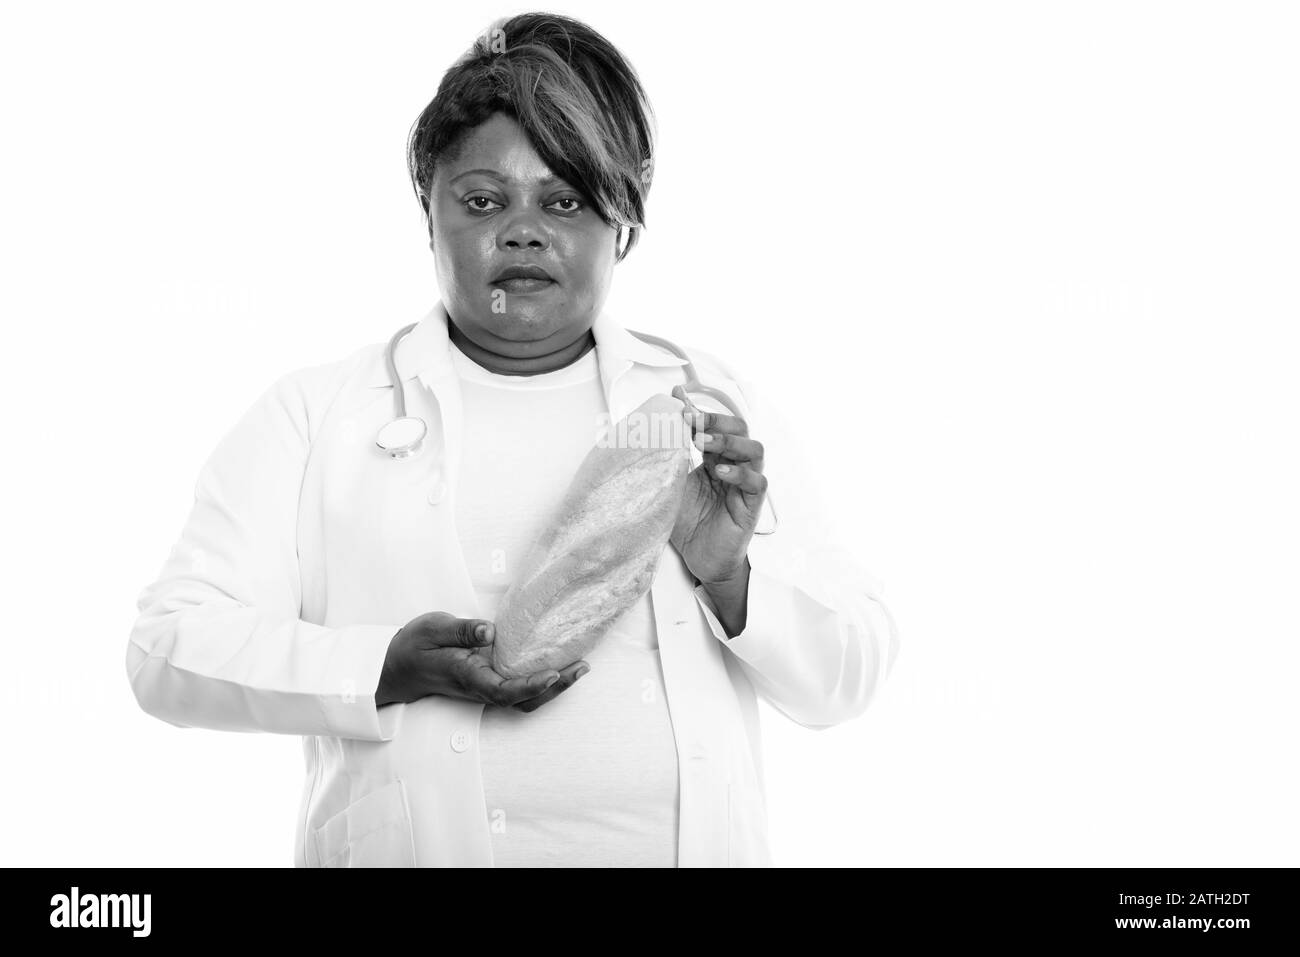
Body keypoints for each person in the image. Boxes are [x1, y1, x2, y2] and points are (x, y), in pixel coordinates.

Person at [125, 11, 900, 868]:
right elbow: (166, 647)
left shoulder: (703, 413)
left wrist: (729, 577)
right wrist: (385, 665)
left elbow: (849, 673)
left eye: (564, 200)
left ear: (626, 222)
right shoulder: (315, 416)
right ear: (430, 213)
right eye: (484, 199)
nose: (523, 230)